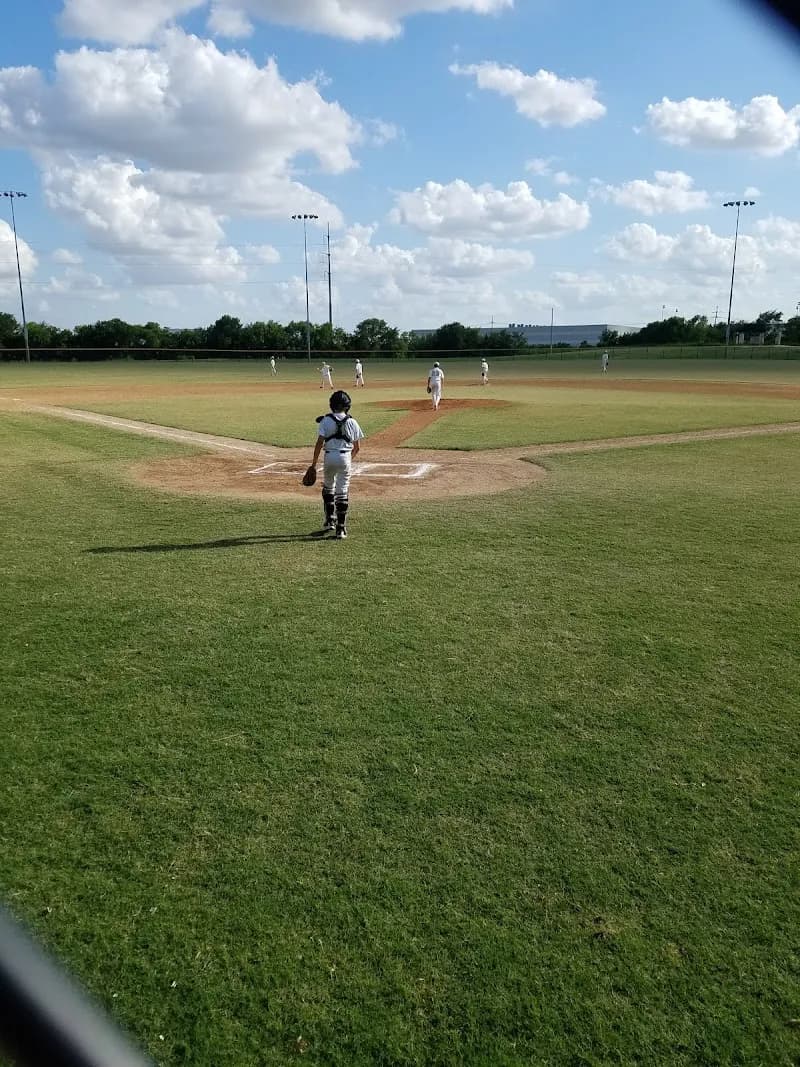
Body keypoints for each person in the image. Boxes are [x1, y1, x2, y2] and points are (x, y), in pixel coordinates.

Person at [309, 390, 364, 540]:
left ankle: (329, 521)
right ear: (348, 406)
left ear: (331, 405)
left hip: (329, 458)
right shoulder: (352, 421)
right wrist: (348, 460)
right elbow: (357, 447)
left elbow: (319, 443)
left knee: (328, 487)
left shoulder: (325, 421)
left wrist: (314, 464)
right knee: (342, 491)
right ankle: (341, 529)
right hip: (345, 457)